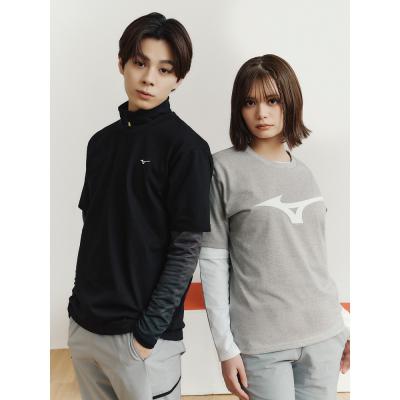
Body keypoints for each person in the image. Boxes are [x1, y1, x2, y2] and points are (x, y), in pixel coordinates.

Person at [67, 12, 212, 400]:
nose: (149, 78)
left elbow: (186, 249)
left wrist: (147, 335)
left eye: (164, 70)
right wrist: (77, 308)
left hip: (143, 341)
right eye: (140, 63)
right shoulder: (100, 144)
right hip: (85, 329)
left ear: (179, 78)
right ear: (122, 63)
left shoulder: (187, 149)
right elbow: (93, 231)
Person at [199, 54, 350, 400]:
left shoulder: (305, 173)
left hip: (324, 336)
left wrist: (345, 326)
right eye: (250, 102)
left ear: (289, 102)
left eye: (272, 100)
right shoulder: (221, 169)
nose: (261, 113)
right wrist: (225, 348)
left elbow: (311, 264)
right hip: (262, 344)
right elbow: (212, 264)